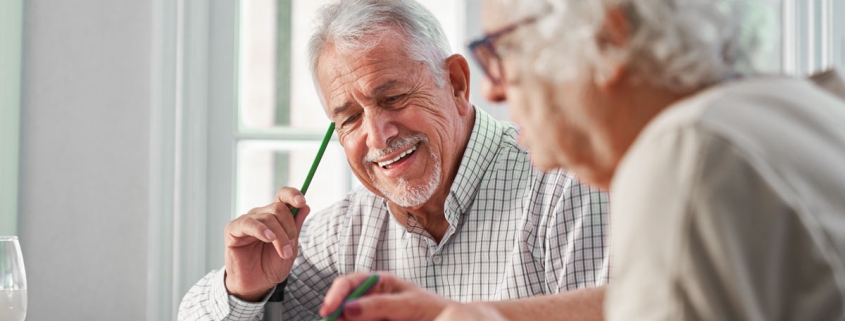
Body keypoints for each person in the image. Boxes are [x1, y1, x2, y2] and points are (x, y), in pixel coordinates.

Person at [411, 0, 845, 319]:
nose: (492, 91)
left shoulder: (684, 154)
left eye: (499, 52)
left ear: (608, 39)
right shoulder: (797, 109)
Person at [177, 0, 610, 320]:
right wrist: (244, 291)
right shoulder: (345, 231)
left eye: (394, 97)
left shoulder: (567, 188)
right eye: (349, 118)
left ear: (457, 84)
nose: (377, 134)